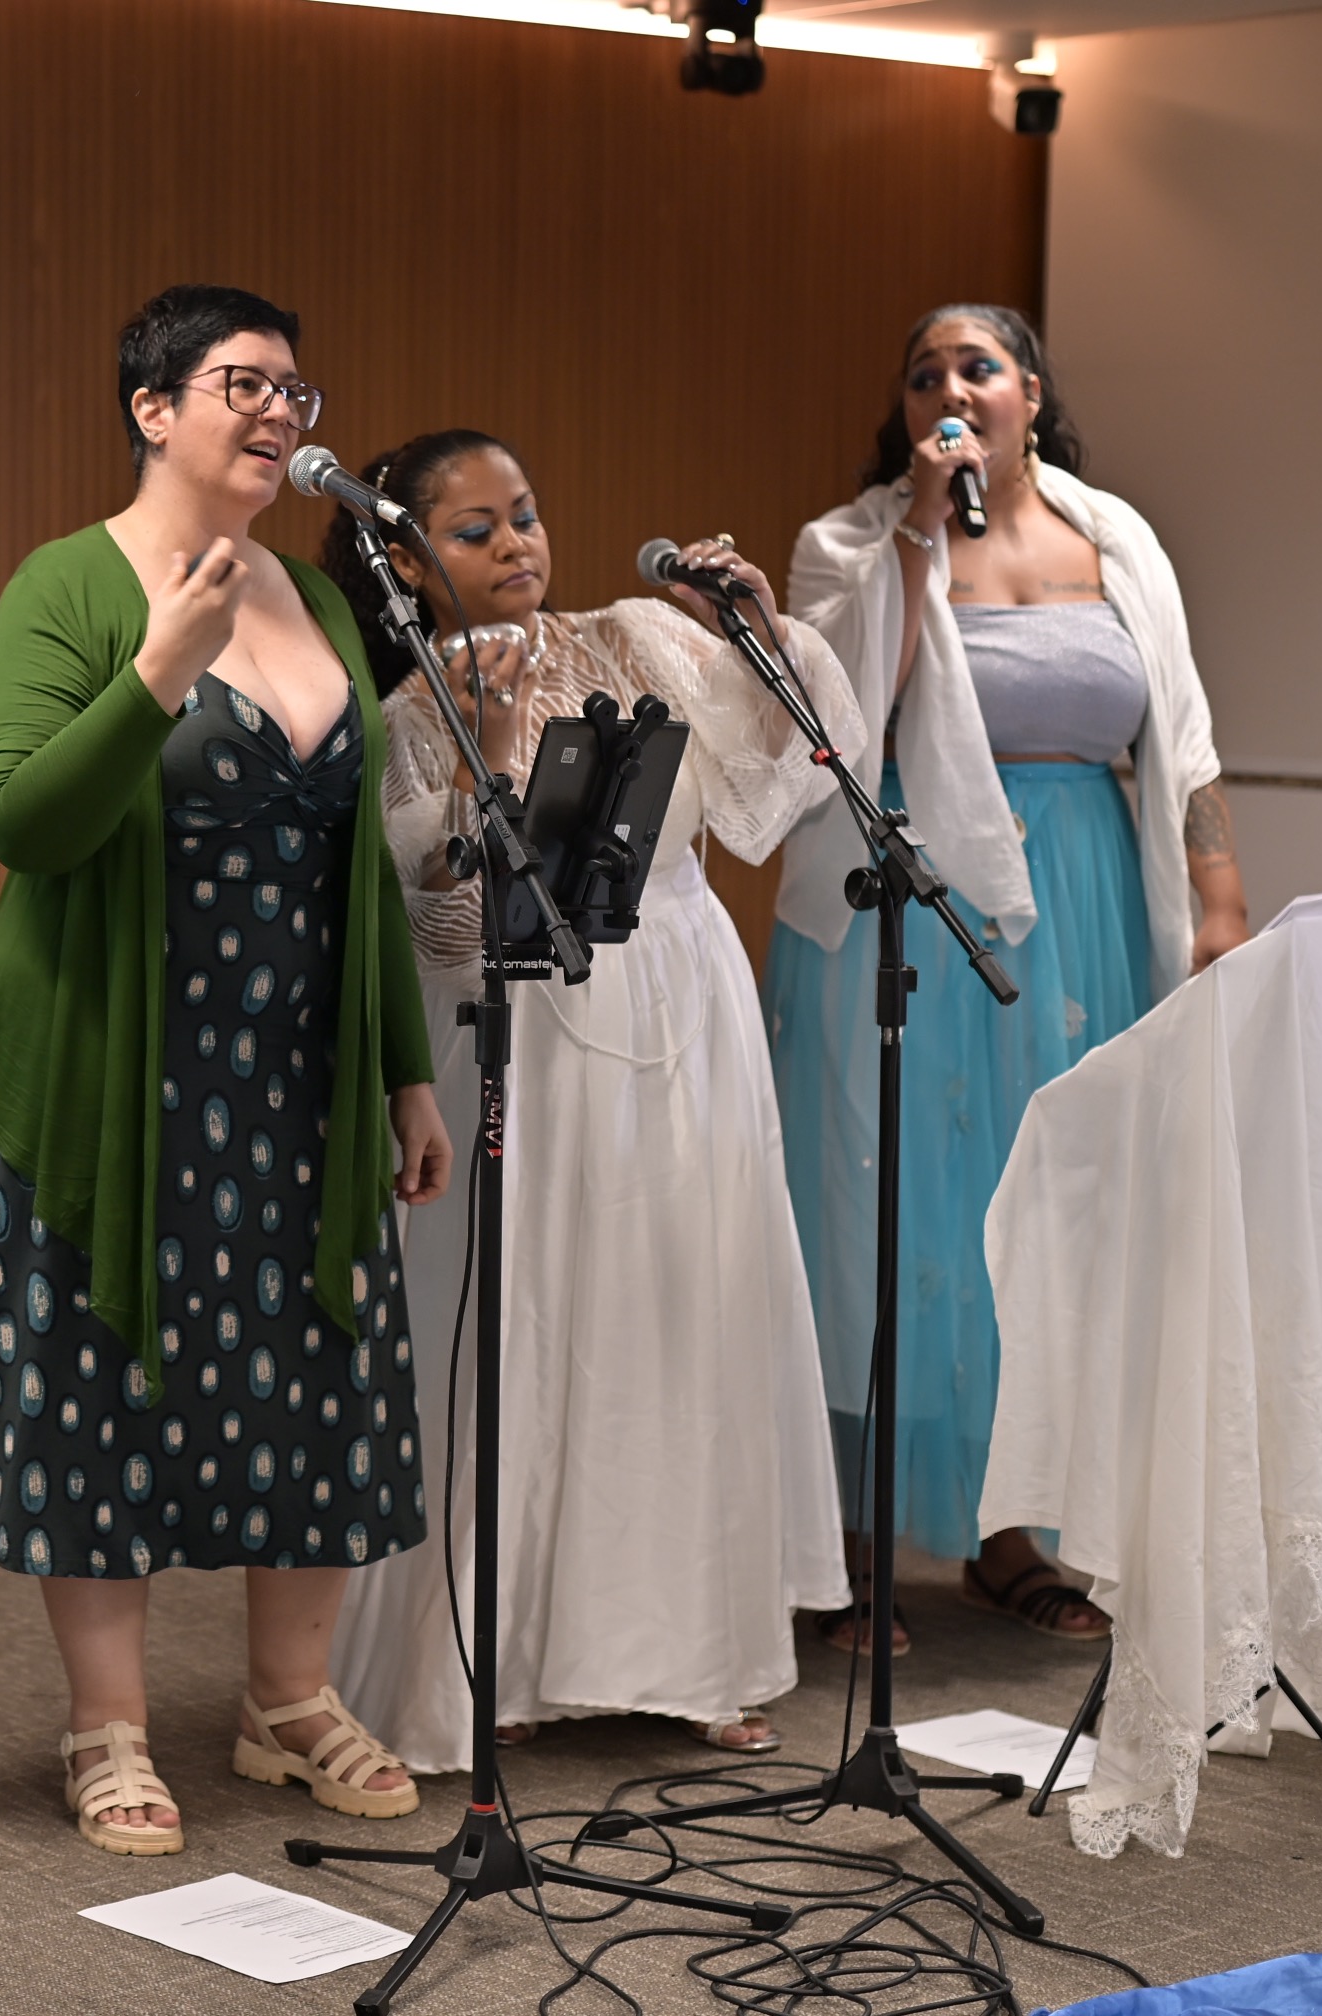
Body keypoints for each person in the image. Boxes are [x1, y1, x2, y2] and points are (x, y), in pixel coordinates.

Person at [0, 286, 451, 1857]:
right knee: (106, 1386)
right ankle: (108, 1725)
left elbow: (359, 866)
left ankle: (290, 1701)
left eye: (295, 390)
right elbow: (22, 823)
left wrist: (404, 1074)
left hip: (298, 1076)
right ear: (152, 408)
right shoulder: (67, 585)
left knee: (315, 1373)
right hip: (114, 1064)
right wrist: (156, 675)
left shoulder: (321, 595)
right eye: (242, 384)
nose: (279, 413)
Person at [318, 433, 862, 1768]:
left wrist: (757, 636)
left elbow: (771, 786)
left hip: (682, 1000)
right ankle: (494, 1662)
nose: (517, 545)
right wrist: (492, 751)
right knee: (534, 1318)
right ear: (406, 562)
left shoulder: (634, 635)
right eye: (474, 530)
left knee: (684, 1316)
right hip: (528, 1029)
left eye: (526, 515)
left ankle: (697, 1651)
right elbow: (448, 933)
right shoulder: (406, 714)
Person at [766, 304, 1249, 1651]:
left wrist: (1218, 900)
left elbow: (1183, 739)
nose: (950, 387)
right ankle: (853, 1544)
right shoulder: (850, 542)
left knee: (1054, 1213)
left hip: (1086, 907)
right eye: (923, 373)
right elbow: (840, 720)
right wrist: (920, 533)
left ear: (1032, 392)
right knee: (897, 1212)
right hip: (909, 900)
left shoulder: (1121, 541)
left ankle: (1010, 1538)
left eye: (977, 366)